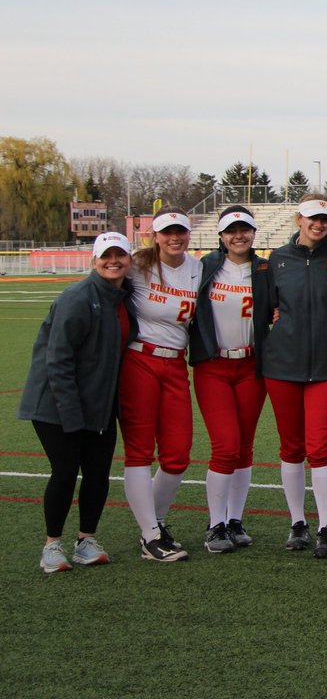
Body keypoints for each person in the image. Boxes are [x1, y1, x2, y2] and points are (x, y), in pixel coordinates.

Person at [19, 232, 137, 573]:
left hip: (99, 405)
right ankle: (51, 546)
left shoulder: (123, 298)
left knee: (98, 473)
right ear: (94, 260)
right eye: (106, 255)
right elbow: (58, 361)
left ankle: (86, 540)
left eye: (120, 255)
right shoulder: (78, 297)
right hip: (56, 406)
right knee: (66, 471)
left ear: (129, 260)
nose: (113, 261)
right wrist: (71, 416)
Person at [262, 194, 327, 558]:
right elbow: (266, 309)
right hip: (282, 365)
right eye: (312, 217)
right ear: (299, 218)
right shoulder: (277, 260)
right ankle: (298, 522)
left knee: (321, 448)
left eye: (324, 218)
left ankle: (326, 527)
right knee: (291, 448)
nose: (318, 223)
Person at [120, 208, 202, 562]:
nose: (174, 238)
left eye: (180, 231)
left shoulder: (198, 268)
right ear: (155, 235)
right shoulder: (137, 267)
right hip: (139, 361)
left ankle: (153, 523)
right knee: (139, 451)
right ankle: (151, 533)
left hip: (175, 363)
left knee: (177, 454)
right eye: (167, 232)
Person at [190, 206, 270, 554]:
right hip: (214, 366)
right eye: (231, 230)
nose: (239, 236)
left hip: (252, 365)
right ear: (221, 236)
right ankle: (215, 524)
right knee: (225, 445)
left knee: (245, 447)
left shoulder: (266, 269)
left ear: (254, 233)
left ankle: (234, 520)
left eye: (245, 229)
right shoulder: (204, 267)